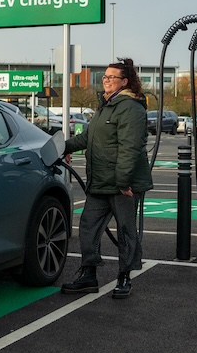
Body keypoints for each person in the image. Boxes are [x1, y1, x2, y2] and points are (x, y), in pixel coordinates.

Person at [61, 57, 153, 299]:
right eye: (105, 77)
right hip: (100, 182)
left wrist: (123, 182)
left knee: (125, 230)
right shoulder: (105, 107)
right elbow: (87, 138)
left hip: (123, 185)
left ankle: (124, 277)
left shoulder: (131, 108)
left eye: (112, 77)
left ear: (125, 81)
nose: (107, 80)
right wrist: (63, 147)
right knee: (88, 228)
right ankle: (88, 275)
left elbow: (130, 148)